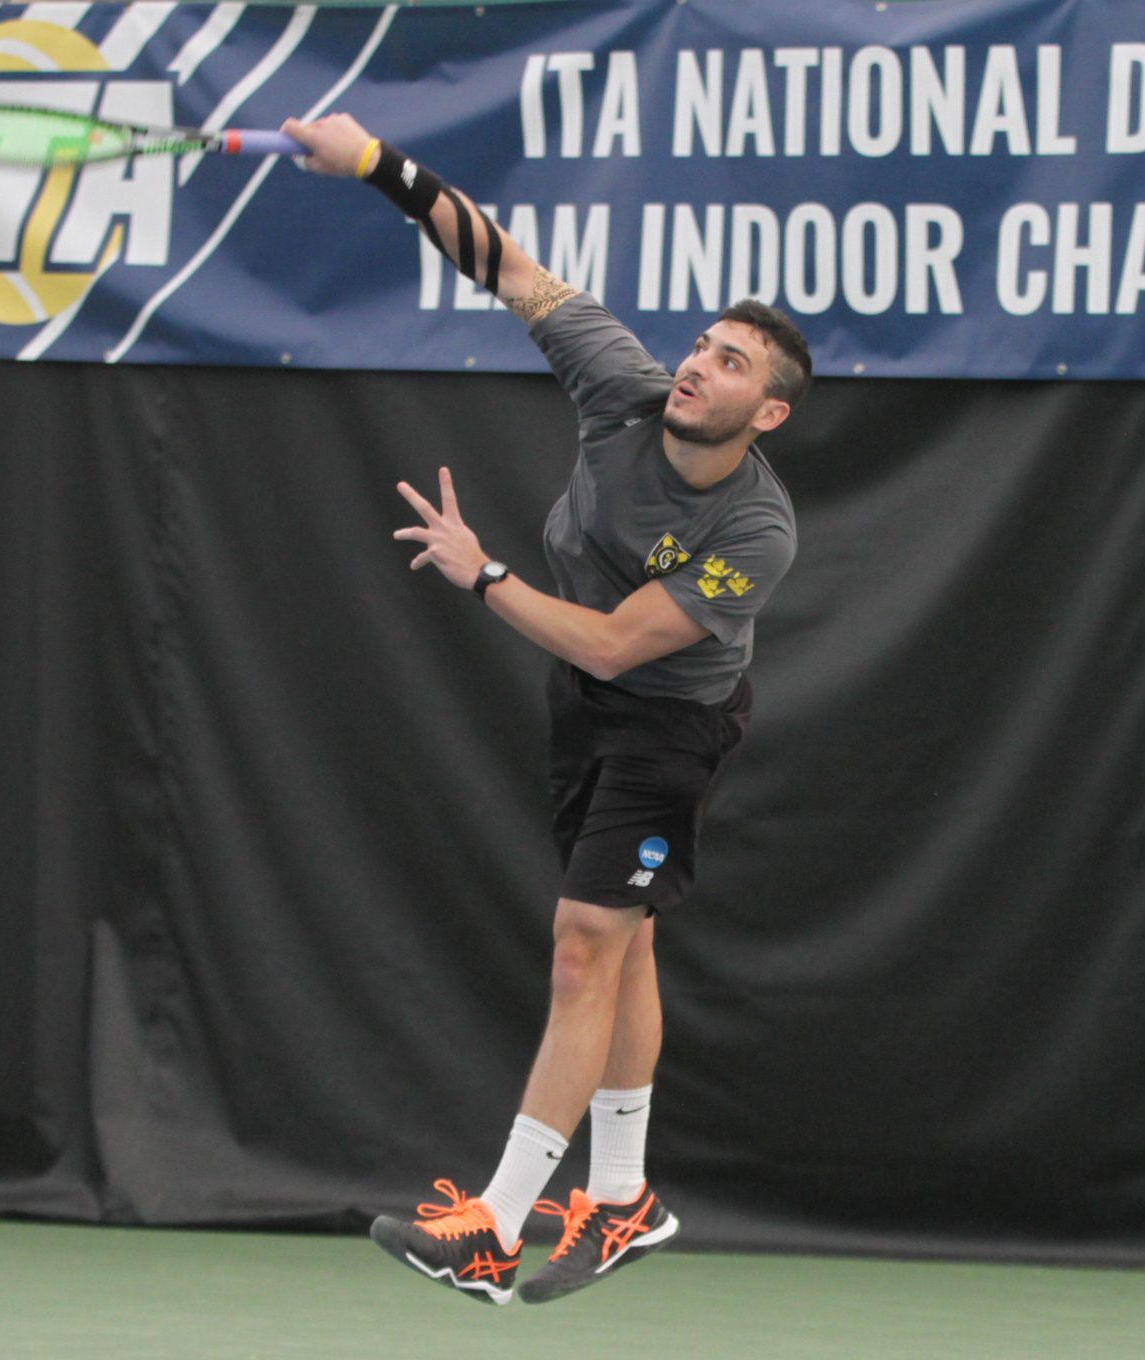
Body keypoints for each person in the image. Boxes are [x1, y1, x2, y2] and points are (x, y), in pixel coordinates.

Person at [281, 112, 811, 1306]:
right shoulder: (621, 385)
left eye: (733, 364)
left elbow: (624, 646)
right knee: (624, 943)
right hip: (582, 710)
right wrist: (377, 165)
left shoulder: (754, 532)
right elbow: (508, 266)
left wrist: (484, 573)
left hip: (666, 726)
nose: (699, 364)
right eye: (704, 344)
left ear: (766, 413)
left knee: (584, 949)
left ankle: (496, 1220)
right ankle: (623, 1201)